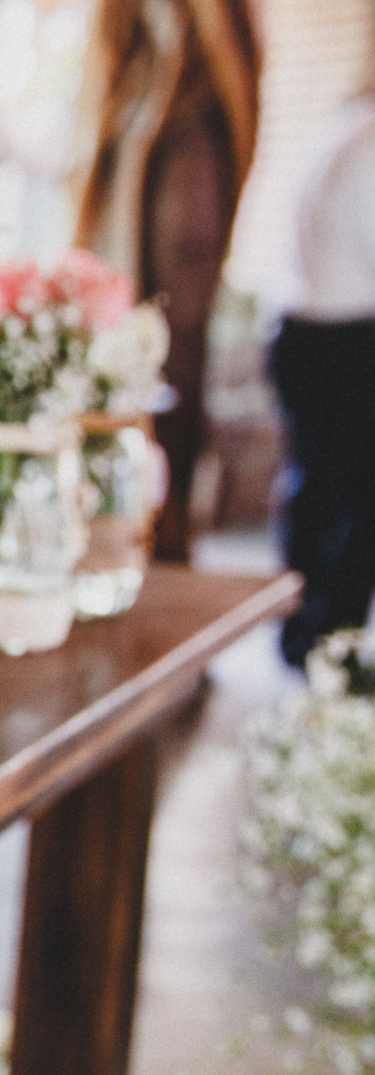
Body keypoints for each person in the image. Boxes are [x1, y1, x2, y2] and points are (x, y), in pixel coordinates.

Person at [73, 0, 261, 563]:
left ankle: (159, 550)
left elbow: (188, 253)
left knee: (163, 433)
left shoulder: (196, 116)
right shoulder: (132, 86)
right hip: (125, 314)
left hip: (166, 330)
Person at [271, 93, 375, 666]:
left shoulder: (341, 132)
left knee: (314, 489)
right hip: (345, 340)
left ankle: (300, 632)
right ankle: (333, 643)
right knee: (360, 503)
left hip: (298, 329)